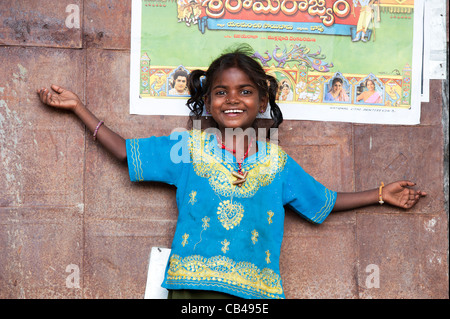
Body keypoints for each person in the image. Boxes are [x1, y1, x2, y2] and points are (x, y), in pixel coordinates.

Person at [36, 47, 426, 299]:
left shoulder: (277, 164)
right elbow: (124, 151)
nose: (233, 99)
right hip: (191, 291)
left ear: (262, 101)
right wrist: (78, 108)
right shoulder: (185, 149)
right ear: (207, 103)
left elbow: (322, 200)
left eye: (245, 92)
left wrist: (379, 194)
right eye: (221, 92)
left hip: (257, 295)